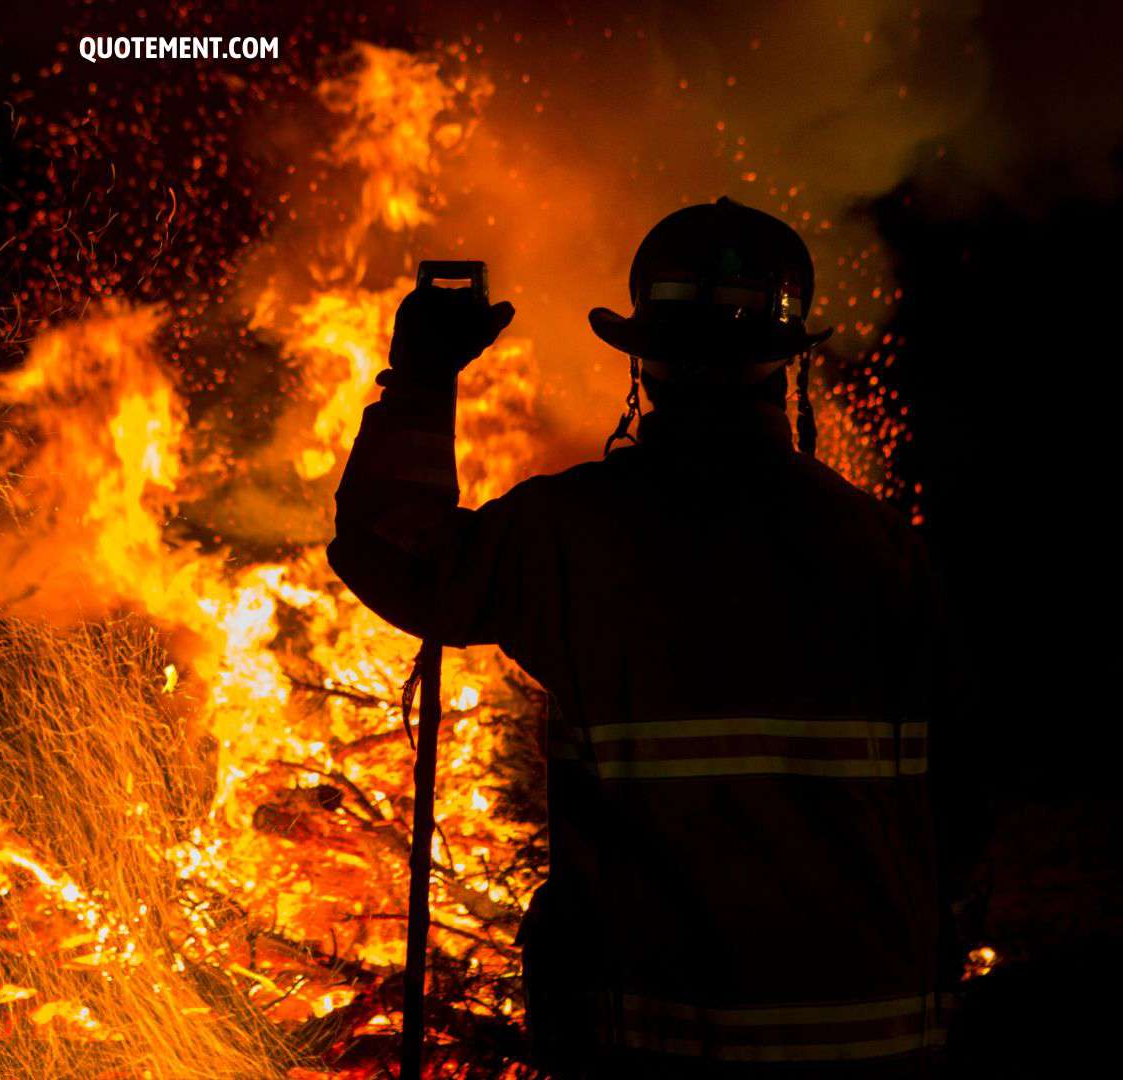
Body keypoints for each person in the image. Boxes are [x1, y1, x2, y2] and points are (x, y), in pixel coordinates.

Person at [329, 198, 980, 1077]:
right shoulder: (886, 549)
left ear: (642, 360)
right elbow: (965, 798)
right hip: (876, 1032)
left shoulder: (577, 533)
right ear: (784, 366)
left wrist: (422, 377)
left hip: (669, 1038)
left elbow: (396, 549)